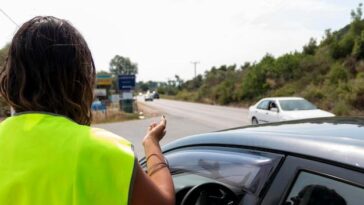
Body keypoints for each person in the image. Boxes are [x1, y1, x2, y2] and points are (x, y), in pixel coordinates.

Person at [0, 16, 174, 205]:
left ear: (12, 78)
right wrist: (151, 145)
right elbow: (163, 201)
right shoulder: (106, 152)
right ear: (79, 80)